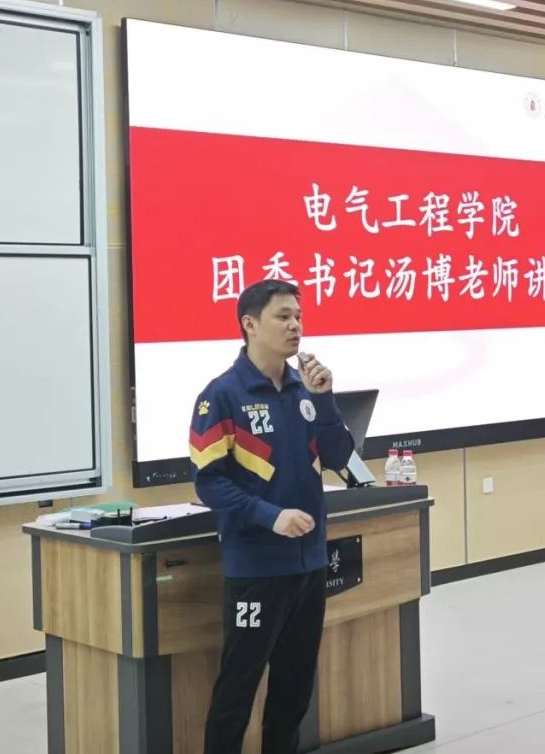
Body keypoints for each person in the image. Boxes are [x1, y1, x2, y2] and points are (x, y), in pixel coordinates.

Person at [188, 279, 354, 754]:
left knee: (294, 689)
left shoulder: (305, 390)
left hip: (310, 563)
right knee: (237, 690)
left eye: (298, 316)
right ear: (250, 324)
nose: (295, 325)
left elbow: (339, 456)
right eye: (283, 316)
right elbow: (208, 481)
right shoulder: (223, 395)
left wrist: (325, 399)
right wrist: (269, 516)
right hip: (257, 568)